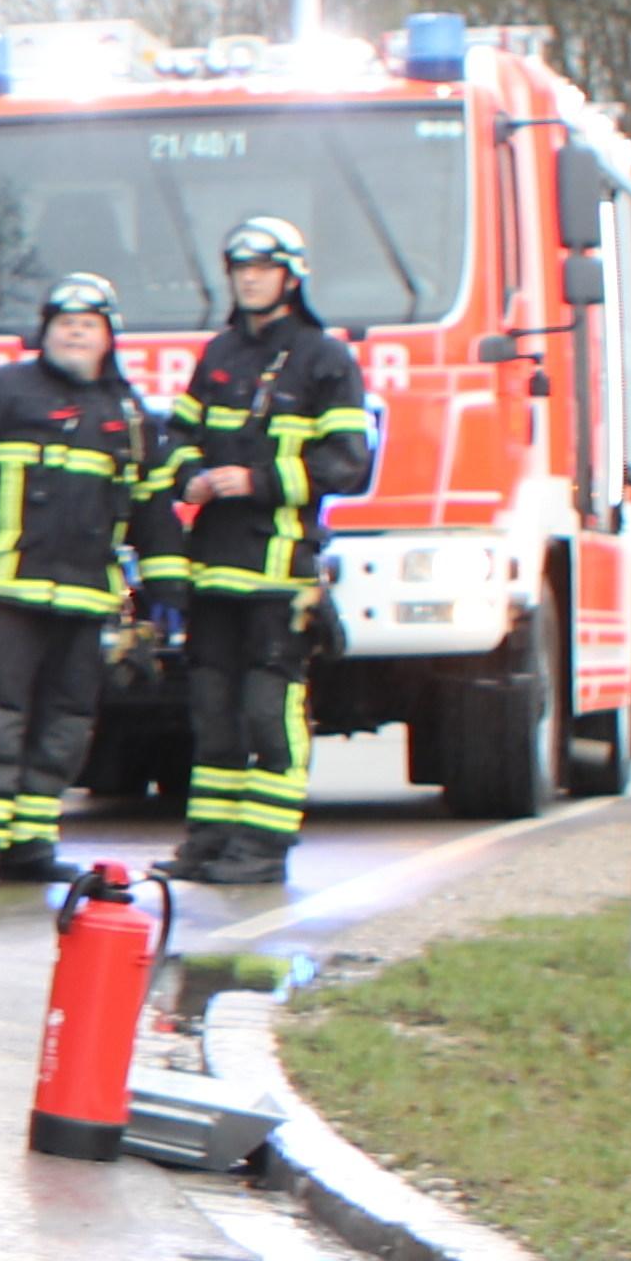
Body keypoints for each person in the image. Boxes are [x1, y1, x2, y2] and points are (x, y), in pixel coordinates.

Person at [147, 217, 378, 886]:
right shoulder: (218, 354)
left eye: (262, 267)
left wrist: (258, 482)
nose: (249, 278)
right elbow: (176, 437)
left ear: (290, 276)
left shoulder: (324, 359)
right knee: (213, 712)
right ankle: (209, 842)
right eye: (239, 267)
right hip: (213, 570)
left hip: (280, 571)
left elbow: (347, 465)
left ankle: (265, 847)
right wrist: (188, 471)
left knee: (267, 713)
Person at [0, 269, 159, 885]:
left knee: (65, 726)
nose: (76, 336)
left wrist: (164, 593)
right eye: (65, 325)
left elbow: (152, 510)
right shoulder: (1, 393)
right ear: (43, 333)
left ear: (109, 339)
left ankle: (30, 844)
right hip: (6, 596)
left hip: (84, 602)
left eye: (88, 326)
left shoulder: (127, 414)